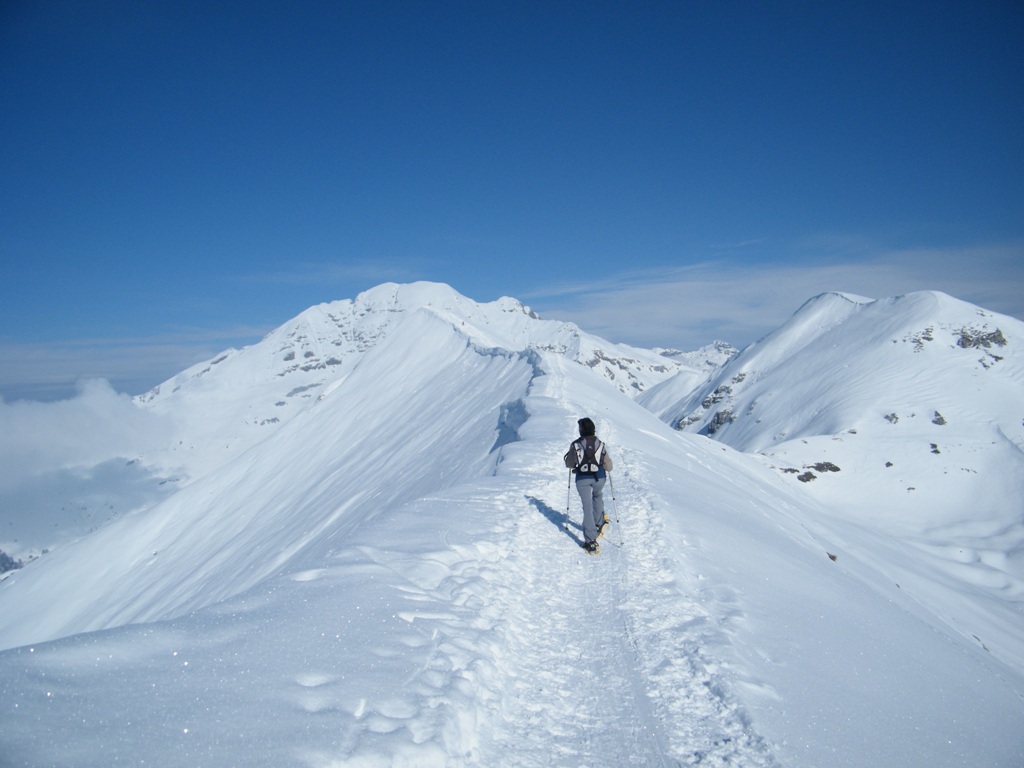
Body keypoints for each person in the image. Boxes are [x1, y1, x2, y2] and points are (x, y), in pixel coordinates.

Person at [563, 417, 613, 554]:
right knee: (597, 496)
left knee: (587, 507)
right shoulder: (600, 444)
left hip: (582, 479)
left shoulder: (576, 444)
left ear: (581, 430)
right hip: (599, 477)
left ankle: (591, 540)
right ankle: (599, 522)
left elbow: (570, 464)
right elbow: (608, 466)